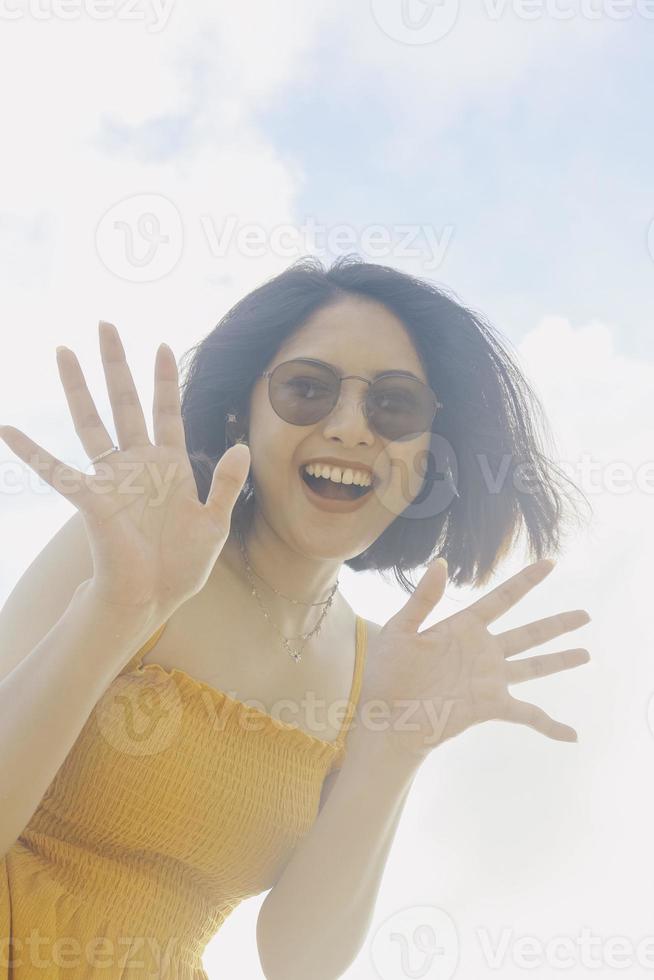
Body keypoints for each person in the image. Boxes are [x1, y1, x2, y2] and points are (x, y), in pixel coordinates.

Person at [0, 255, 592, 978]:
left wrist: (395, 748)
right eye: (306, 390)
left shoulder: (385, 670)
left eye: (394, 405)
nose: (349, 428)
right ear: (238, 410)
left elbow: (299, 962)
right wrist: (115, 611)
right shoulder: (131, 548)